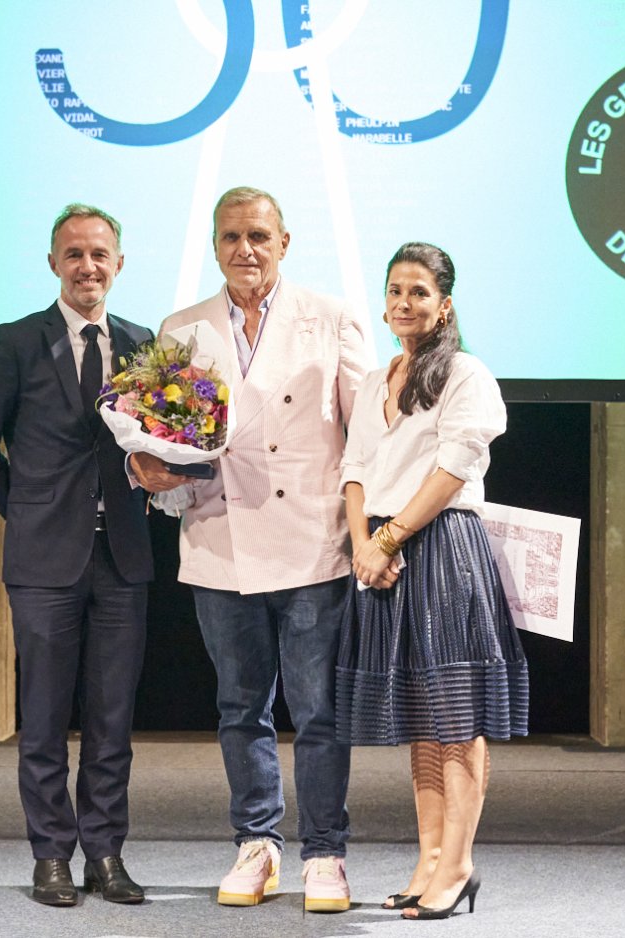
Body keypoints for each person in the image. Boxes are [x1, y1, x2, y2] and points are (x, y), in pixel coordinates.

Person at [130, 186, 372, 912]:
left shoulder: (332, 318)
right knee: (240, 706)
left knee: (318, 710)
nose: (246, 249)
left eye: (259, 236)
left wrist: (372, 532)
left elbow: (365, 436)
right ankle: (257, 843)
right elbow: (162, 435)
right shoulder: (182, 328)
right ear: (214, 245)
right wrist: (146, 466)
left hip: (314, 542)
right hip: (220, 538)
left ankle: (324, 853)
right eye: (232, 236)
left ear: (284, 243)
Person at [0, 204, 154, 908]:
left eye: (99, 254)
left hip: (122, 557)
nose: (87, 266)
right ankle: (51, 857)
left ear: (118, 263)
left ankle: (106, 854)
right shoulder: (16, 341)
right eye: (74, 254)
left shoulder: (143, 345)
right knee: (42, 718)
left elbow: (153, 440)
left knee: (112, 722)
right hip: (43, 563)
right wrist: (25, 505)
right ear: (53, 264)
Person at [336, 242, 529, 920]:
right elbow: (354, 470)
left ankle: (459, 864)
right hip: (383, 554)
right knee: (422, 717)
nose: (403, 302)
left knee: (456, 716)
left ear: (443, 304)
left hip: (442, 547)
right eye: (395, 290)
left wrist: (389, 537)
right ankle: (428, 860)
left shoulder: (466, 374)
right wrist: (363, 544)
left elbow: (453, 469)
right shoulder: (375, 379)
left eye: (418, 291)